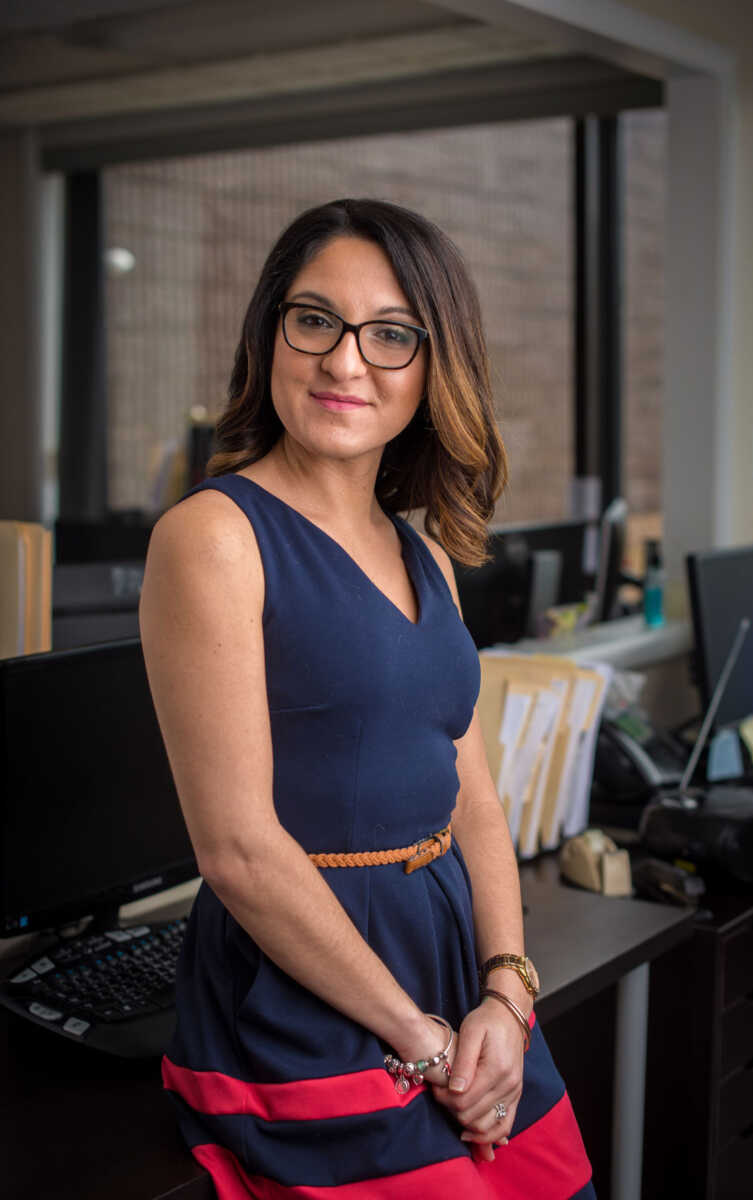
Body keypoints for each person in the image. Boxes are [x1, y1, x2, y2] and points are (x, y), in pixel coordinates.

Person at [139, 197, 595, 1198]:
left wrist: (505, 998)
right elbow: (240, 852)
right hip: (306, 991)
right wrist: (419, 1038)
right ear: (270, 336)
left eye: (391, 335)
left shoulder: (425, 552)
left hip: (447, 969)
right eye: (315, 320)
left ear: (435, 367)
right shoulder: (213, 538)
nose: (345, 362)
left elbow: (470, 795)